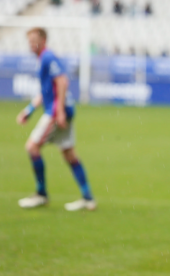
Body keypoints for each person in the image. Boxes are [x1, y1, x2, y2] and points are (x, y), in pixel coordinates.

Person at [16, 27, 96, 211]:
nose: (30, 44)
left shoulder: (47, 57)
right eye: (29, 40)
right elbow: (46, 92)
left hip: (56, 111)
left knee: (32, 147)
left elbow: (62, 82)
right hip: (63, 109)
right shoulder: (43, 59)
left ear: (43, 40)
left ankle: (41, 194)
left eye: (34, 40)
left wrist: (58, 112)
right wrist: (29, 110)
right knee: (69, 153)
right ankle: (88, 197)